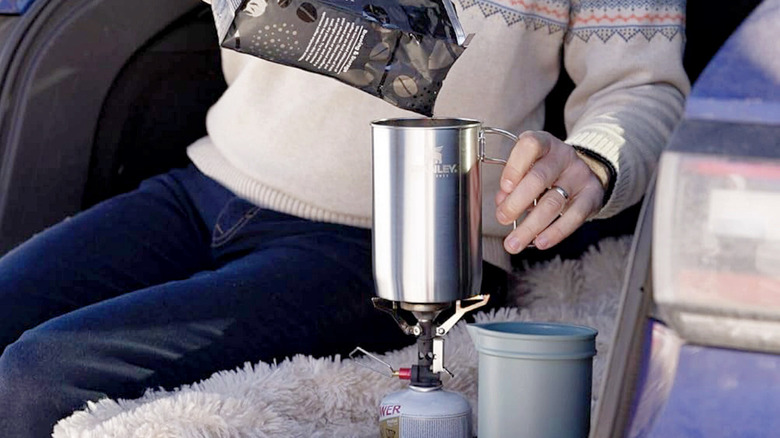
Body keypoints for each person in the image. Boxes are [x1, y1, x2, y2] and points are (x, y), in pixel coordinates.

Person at [0, 0, 689, 435]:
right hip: (205, 183)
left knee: (37, 374)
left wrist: (593, 164)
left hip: (401, 241)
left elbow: (641, 90)